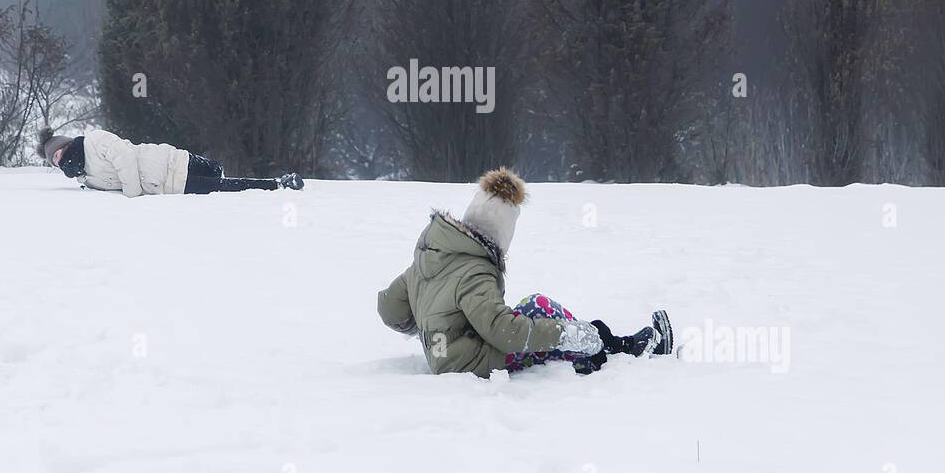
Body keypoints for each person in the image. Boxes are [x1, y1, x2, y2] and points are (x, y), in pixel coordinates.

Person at [375, 167, 672, 377]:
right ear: (502, 234)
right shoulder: (474, 270)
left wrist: (431, 329)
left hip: (444, 356)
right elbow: (504, 332)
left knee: (532, 314)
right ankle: (613, 349)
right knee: (539, 307)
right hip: (467, 363)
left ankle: (601, 346)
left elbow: (388, 308)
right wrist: (569, 334)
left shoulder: (433, 255)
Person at [37, 128, 304, 196]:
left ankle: (278, 185)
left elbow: (125, 156)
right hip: (167, 184)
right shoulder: (86, 176)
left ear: (65, 145)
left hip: (171, 164)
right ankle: (276, 185)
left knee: (219, 179)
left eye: (58, 156)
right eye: (55, 163)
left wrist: (133, 194)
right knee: (223, 189)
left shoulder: (94, 141)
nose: (60, 163)